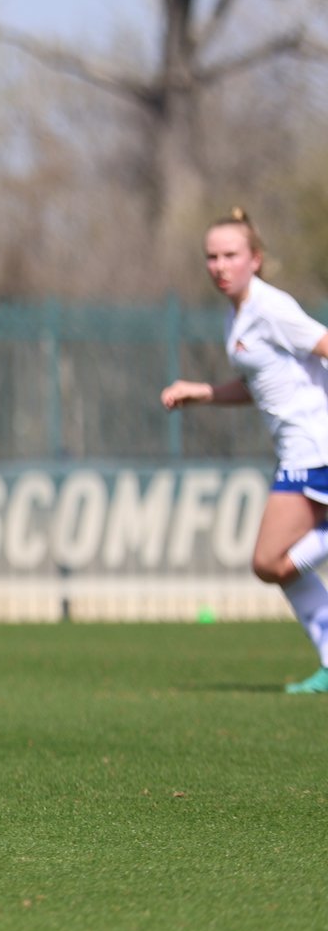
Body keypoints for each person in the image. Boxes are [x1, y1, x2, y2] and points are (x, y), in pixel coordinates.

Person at [161, 207, 328, 694]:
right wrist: (205, 392)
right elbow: (266, 384)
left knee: (268, 560)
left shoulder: (272, 309)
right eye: (211, 257)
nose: (219, 265)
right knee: (273, 565)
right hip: (300, 452)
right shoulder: (239, 316)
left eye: (230, 255)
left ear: (255, 259)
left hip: (315, 449)